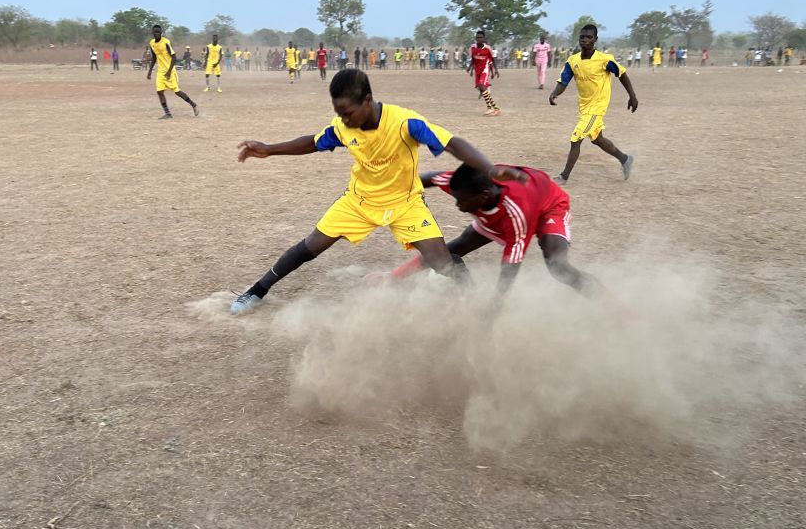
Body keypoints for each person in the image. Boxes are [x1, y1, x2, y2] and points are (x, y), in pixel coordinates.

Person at [228, 68, 527, 314]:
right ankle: (256, 291)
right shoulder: (343, 128)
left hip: (405, 202)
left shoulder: (404, 122)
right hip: (359, 201)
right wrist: (269, 149)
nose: (344, 120)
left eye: (347, 112)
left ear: (367, 101)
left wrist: (488, 169)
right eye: (338, 113)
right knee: (310, 247)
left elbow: (452, 142)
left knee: (442, 261)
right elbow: (312, 141)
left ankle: (474, 306)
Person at [383, 164, 600, 312]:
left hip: (548, 206)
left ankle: (612, 305)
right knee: (459, 245)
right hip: (510, 204)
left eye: (462, 202)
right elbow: (426, 178)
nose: (458, 207)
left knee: (558, 266)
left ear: (483, 196)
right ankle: (395, 277)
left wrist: (495, 305)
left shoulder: (516, 215)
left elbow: (511, 264)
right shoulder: (465, 184)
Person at [549, 24, 637, 184]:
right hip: (584, 107)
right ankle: (625, 159)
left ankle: (564, 176)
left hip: (597, 108)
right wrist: (555, 93)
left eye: (589, 37)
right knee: (597, 139)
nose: (585, 40)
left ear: (595, 40)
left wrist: (632, 95)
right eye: (582, 37)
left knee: (576, 138)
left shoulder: (604, 60)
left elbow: (622, 74)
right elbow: (563, 81)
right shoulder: (573, 61)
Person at [146, 25, 198, 119]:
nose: (157, 34)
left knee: (177, 91)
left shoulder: (166, 42)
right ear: (152, 33)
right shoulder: (152, 43)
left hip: (169, 70)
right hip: (160, 72)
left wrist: (169, 71)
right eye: (155, 32)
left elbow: (174, 57)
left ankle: (193, 104)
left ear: (161, 33)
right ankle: (168, 113)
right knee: (159, 92)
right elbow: (154, 57)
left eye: (159, 32)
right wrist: (149, 71)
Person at [469, 30, 500, 116]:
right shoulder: (473, 48)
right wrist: (470, 67)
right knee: (482, 89)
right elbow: (473, 58)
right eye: (477, 37)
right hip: (477, 70)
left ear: (483, 38)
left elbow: (492, 60)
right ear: (476, 38)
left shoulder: (487, 48)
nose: (479, 39)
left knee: (482, 87)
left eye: (480, 37)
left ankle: (490, 108)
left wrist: (496, 70)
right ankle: (496, 108)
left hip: (485, 70)